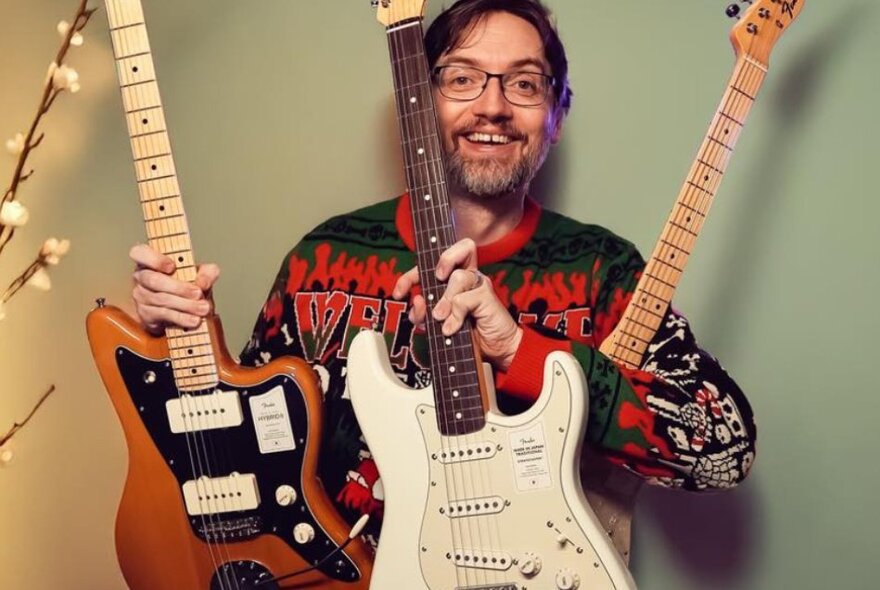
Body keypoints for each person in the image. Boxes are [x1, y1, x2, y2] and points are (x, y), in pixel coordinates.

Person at [130, 0, 756, 540]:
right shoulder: (324, 258)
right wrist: (184, 339)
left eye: (526, 84)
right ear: (418, 106)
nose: (493, 107)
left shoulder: (603, 270)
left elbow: (723, 454)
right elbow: (245, 459)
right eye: (462, 79)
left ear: (556, 116)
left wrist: (519, 350)